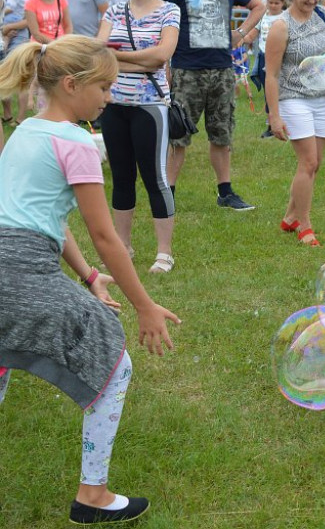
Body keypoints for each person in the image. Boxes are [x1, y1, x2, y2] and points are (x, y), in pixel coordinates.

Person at [0, 35, 180, 524]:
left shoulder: (25, 131)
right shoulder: (76, 141)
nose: (108, 98)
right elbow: (104, 234)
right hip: (20, 269)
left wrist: (88, 277)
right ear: (72, 84)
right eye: (103, 87)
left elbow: (44, 219)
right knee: (113, 365)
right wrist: (144, 305)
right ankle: (93, 495)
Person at [161, 0, 265, 210]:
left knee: (222, 134)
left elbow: (259, 6)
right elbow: (163, 27)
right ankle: (167, 192)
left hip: (221, 70)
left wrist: (241, 33)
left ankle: (225, 192)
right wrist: (166, 70)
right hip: (186, 71)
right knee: (178, 135)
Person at [95, 0, 181, 274]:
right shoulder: (115, 11)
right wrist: (137, 56)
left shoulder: (168, 10)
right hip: (114, 104)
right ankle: (123, 247)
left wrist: (121, 57)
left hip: (150, 106)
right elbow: (99, 53)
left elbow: (162, 55)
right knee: (121, 177)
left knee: (155, 177)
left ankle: (164, 253)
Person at [265, 0, 325, 247]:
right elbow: (270, 74)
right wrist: (274, 116)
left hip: (322, 97)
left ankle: (290, 216)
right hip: (293, 97)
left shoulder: (324, 16)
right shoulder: (281, 27)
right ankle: (304, 225)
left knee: (315, 163)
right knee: (307, 162)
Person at [251, 0, 288, 139]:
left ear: (283, 3)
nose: (273, 5)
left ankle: (284, 121)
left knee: (280, 92)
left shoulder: (285, 19)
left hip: (279, 58)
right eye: (270, 2)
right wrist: (240, 39)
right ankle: (270, 124)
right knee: (268, 92)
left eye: (276, 3)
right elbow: (253, 34)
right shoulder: (262, 17)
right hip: (262, 56)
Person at [1, 0, 32, 124]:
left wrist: (3, 12)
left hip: (11, 27)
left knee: (8, 68)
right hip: (24, 33)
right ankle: (20, 116)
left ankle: (15, 116)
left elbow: (9, 8)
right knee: (22, 75)